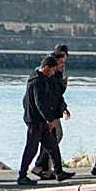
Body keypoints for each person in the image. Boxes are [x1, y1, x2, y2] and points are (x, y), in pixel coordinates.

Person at [17, 55, 73, 185]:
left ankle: (59, 172)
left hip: (40, 121)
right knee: (31, 149)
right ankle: (22, 175)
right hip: (35, 121)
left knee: (52, 146)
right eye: (52, 70)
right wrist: (50, 119)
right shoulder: (37, 82)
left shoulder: (42, 79)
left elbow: (51, 97)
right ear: (46, 68)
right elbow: (40, 103)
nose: (54, 73)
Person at [33, 45, 71, 177]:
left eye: (64, 62)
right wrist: (50, 117)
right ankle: (41, 166)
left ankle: (45, 168)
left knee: (52, 139)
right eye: (61, 62)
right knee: (52, 139)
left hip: (54, 110)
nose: (62, 65)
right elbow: (49, 95)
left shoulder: (58, 73)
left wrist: (64, 106)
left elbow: (58, 94)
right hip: (49, 112)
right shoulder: (49, 73)